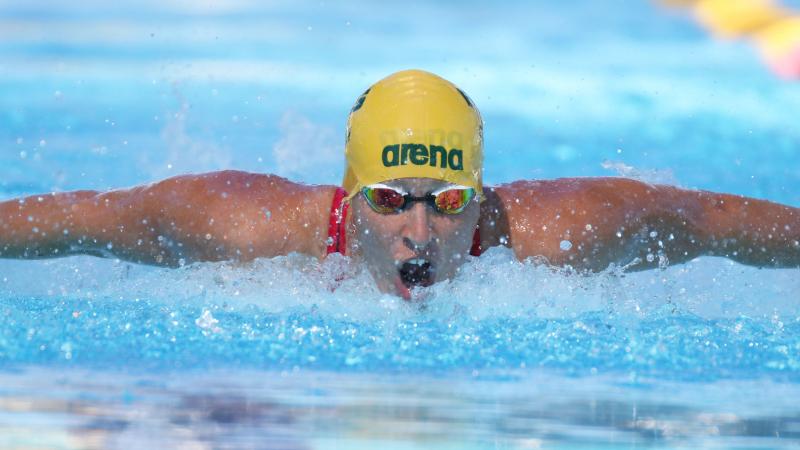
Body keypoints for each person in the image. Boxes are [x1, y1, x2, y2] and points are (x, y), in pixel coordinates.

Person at [1, 69, 799, 300]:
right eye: (389, 199)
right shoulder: (243, 227)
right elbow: (87, 219)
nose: (421, 234)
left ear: (480, 198)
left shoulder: (563, 233)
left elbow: (710, 222)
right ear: (348, 197)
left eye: (448, 202)